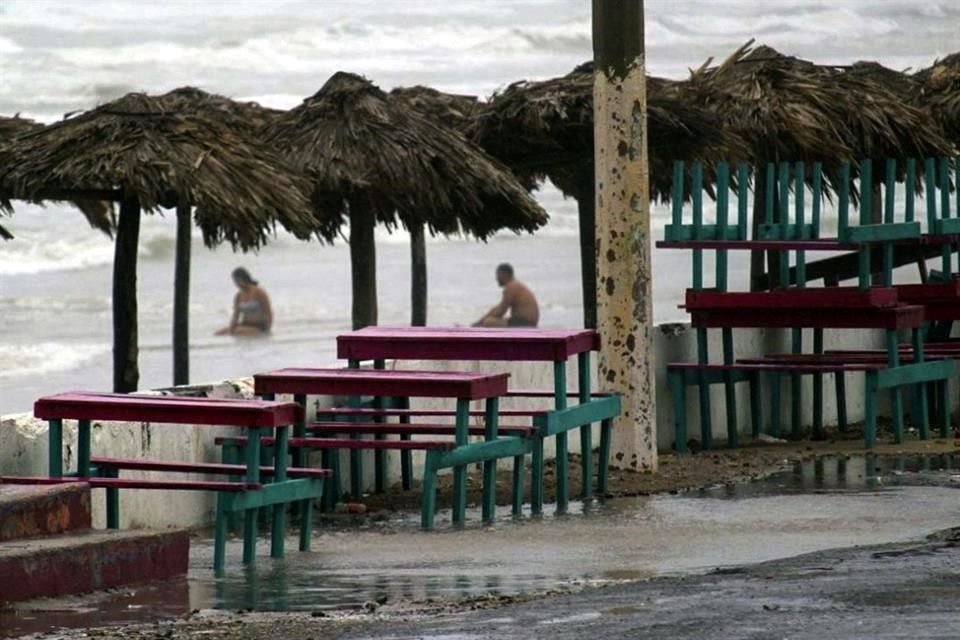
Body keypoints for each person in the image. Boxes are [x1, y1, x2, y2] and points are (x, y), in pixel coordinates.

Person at [472, 263, 540, 328]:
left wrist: (482, 322)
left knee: (488, 322)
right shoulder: (515, 285)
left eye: (498, 275)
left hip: (525, 322)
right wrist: (479, 321)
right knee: (488, 320)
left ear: (504, 275)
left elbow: (500, 312)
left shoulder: (511, 287)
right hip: (526, 321)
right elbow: (498, 308)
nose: (496, 278)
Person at [215, 267, 273, 336]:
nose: (236, 284)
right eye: (235, 281)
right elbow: (235, 316)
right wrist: (231, 328)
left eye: (237, 281)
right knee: (219, 333)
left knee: (237, 332)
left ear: (244, 279)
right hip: (244, 324)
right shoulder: (238, 296)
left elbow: (268, 312)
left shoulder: (259, 292)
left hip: (258, 326)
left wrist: (267, 329)